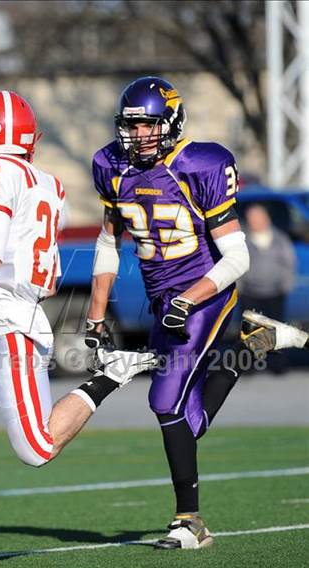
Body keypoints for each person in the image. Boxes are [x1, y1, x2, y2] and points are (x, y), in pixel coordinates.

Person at [0, 90, 158, 568]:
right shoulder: (46, 182)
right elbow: (15, 259)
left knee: (36, 448)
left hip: (10, 324)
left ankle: (114, 372)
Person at [85, 76, 309, 550]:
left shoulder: (200, 164)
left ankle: (190, 522)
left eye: (148, 125)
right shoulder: (110, 164)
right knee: (188, 418)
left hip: (205, 291)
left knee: (164, 401)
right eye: (132, 126)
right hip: (160, 297)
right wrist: (95, 314)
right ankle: (253, 343)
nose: (139, 135)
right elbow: (108, 242)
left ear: (171, 121)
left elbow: (238, 258)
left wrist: (189, 298)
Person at [240, 205, 296, 373]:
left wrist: (285, 285)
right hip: (250, 292)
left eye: (258, 218)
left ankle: (277, 366)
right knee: (250, 332)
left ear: (266, 219)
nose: (255, 222)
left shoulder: (279, 238)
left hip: (275, 292)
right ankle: (248, 367)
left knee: (276, 330)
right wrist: (239, 287)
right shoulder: (243, 240)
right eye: (251, 219)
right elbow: (238, 264)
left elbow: (289, 262)